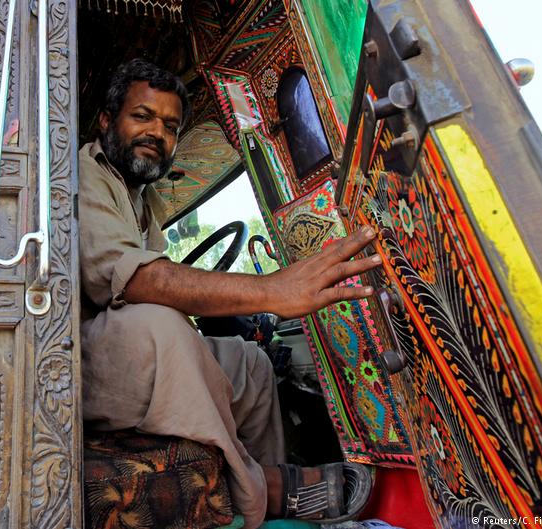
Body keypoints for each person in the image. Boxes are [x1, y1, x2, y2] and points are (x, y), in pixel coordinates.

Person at [78, 58, 380, 527]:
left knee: (251, 362)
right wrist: (272, 290)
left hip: (123, 361)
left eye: (170, 126)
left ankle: (280, 499)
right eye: (142, 116)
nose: (157, 132)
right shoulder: (85, 173)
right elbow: (135, 281)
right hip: (72, 366)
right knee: (157, 324)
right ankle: (260, 490)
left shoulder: (142, 197)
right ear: (106, 121)